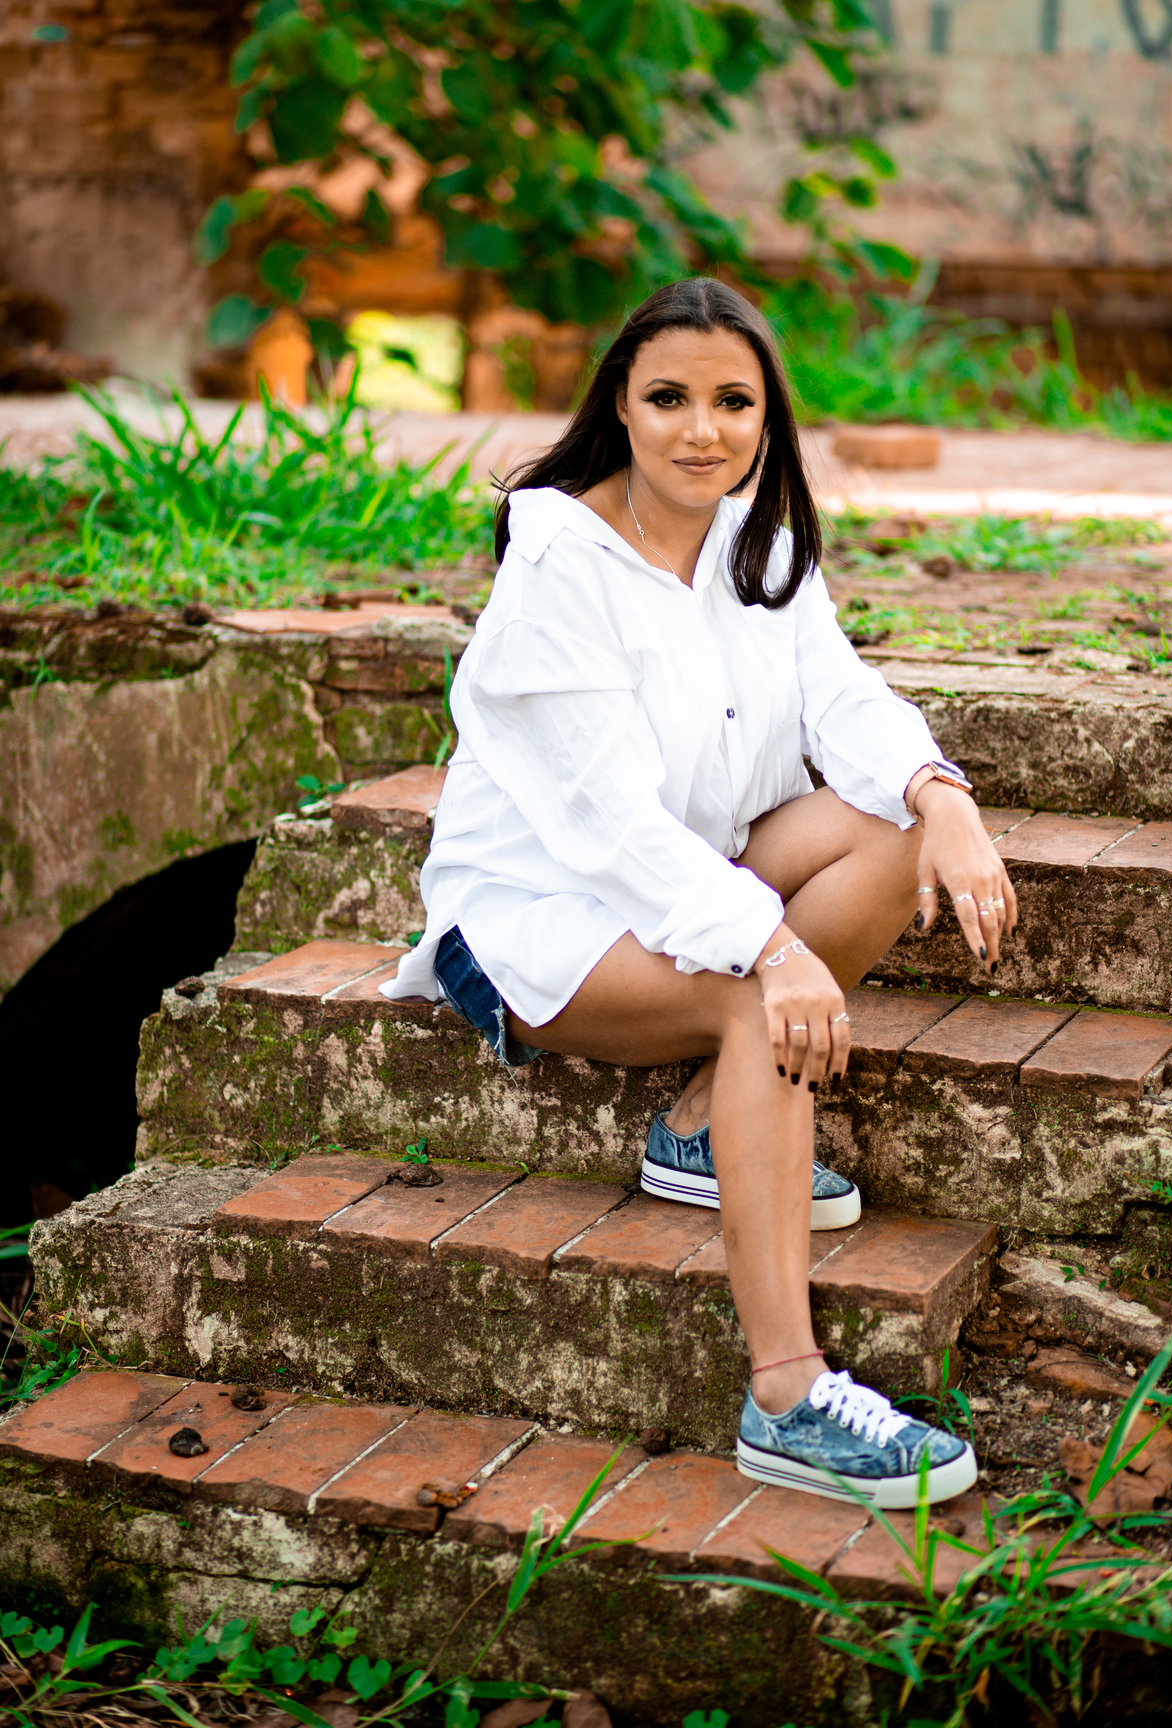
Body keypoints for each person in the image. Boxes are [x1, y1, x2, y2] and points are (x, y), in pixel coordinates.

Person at [382, 278, 1017, 1508]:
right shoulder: (560, 568)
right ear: (619, 404)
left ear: (767, 418)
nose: (701, 430)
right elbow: (608, 829)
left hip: (690, 874)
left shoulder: (756, 545)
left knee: (890, 833)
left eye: (734, 401)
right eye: (668, 396)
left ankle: (693, 1131)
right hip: (532, 917)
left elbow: (841, 701)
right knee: (752, 1006)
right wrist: (767, 949)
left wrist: (945, 797)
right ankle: (785, 1396)